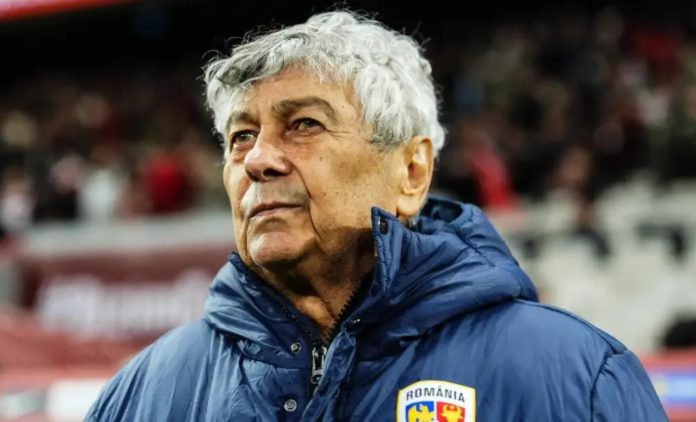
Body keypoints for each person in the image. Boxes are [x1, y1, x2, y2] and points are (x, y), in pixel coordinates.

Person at [86, 10, 667, 421]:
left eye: (303, 124)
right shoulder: (140, 395)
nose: (257, 159)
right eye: (241, 136)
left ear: (411, 172)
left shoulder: (577, 379)